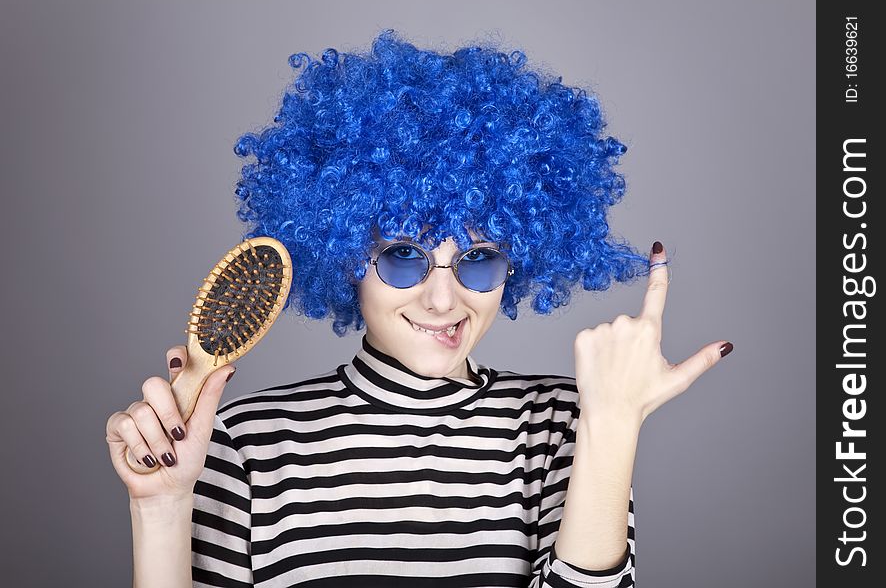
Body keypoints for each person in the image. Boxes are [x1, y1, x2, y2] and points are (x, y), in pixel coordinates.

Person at [106, 29, 732, 587]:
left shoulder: (566, 425)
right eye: (403, 256)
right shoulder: (246, 444)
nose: (442, 297)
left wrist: (614, 426)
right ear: (346, 253)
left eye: (479, 259)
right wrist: (159, 509)